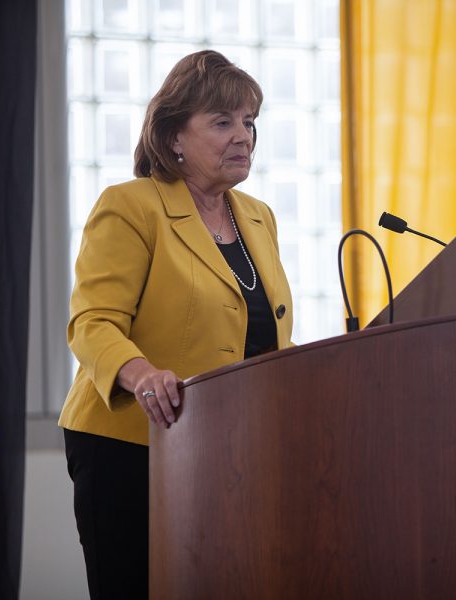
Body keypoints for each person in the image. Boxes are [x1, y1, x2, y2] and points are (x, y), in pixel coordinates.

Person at [58, 50, 294, 599]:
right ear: (173, 138)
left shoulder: (259, 217)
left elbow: (261, 337)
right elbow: (92, 322)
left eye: (249, 122)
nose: (243, 136)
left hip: (230, 450)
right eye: (222, 122)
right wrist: (142, 375)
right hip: (132, 447)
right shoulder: (131, 207)